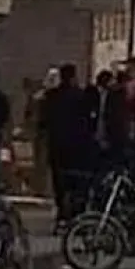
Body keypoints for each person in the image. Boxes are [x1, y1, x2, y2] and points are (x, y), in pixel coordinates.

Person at [40, 63, 97, 224]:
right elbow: (89, 121)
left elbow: (43, 122)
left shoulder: (51, 96)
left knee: (59, 181)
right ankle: (74, 213)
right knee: (76, 181)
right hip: (77, 146)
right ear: (73, 77)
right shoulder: (81, 96)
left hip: (56, 145)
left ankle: (61, 213)